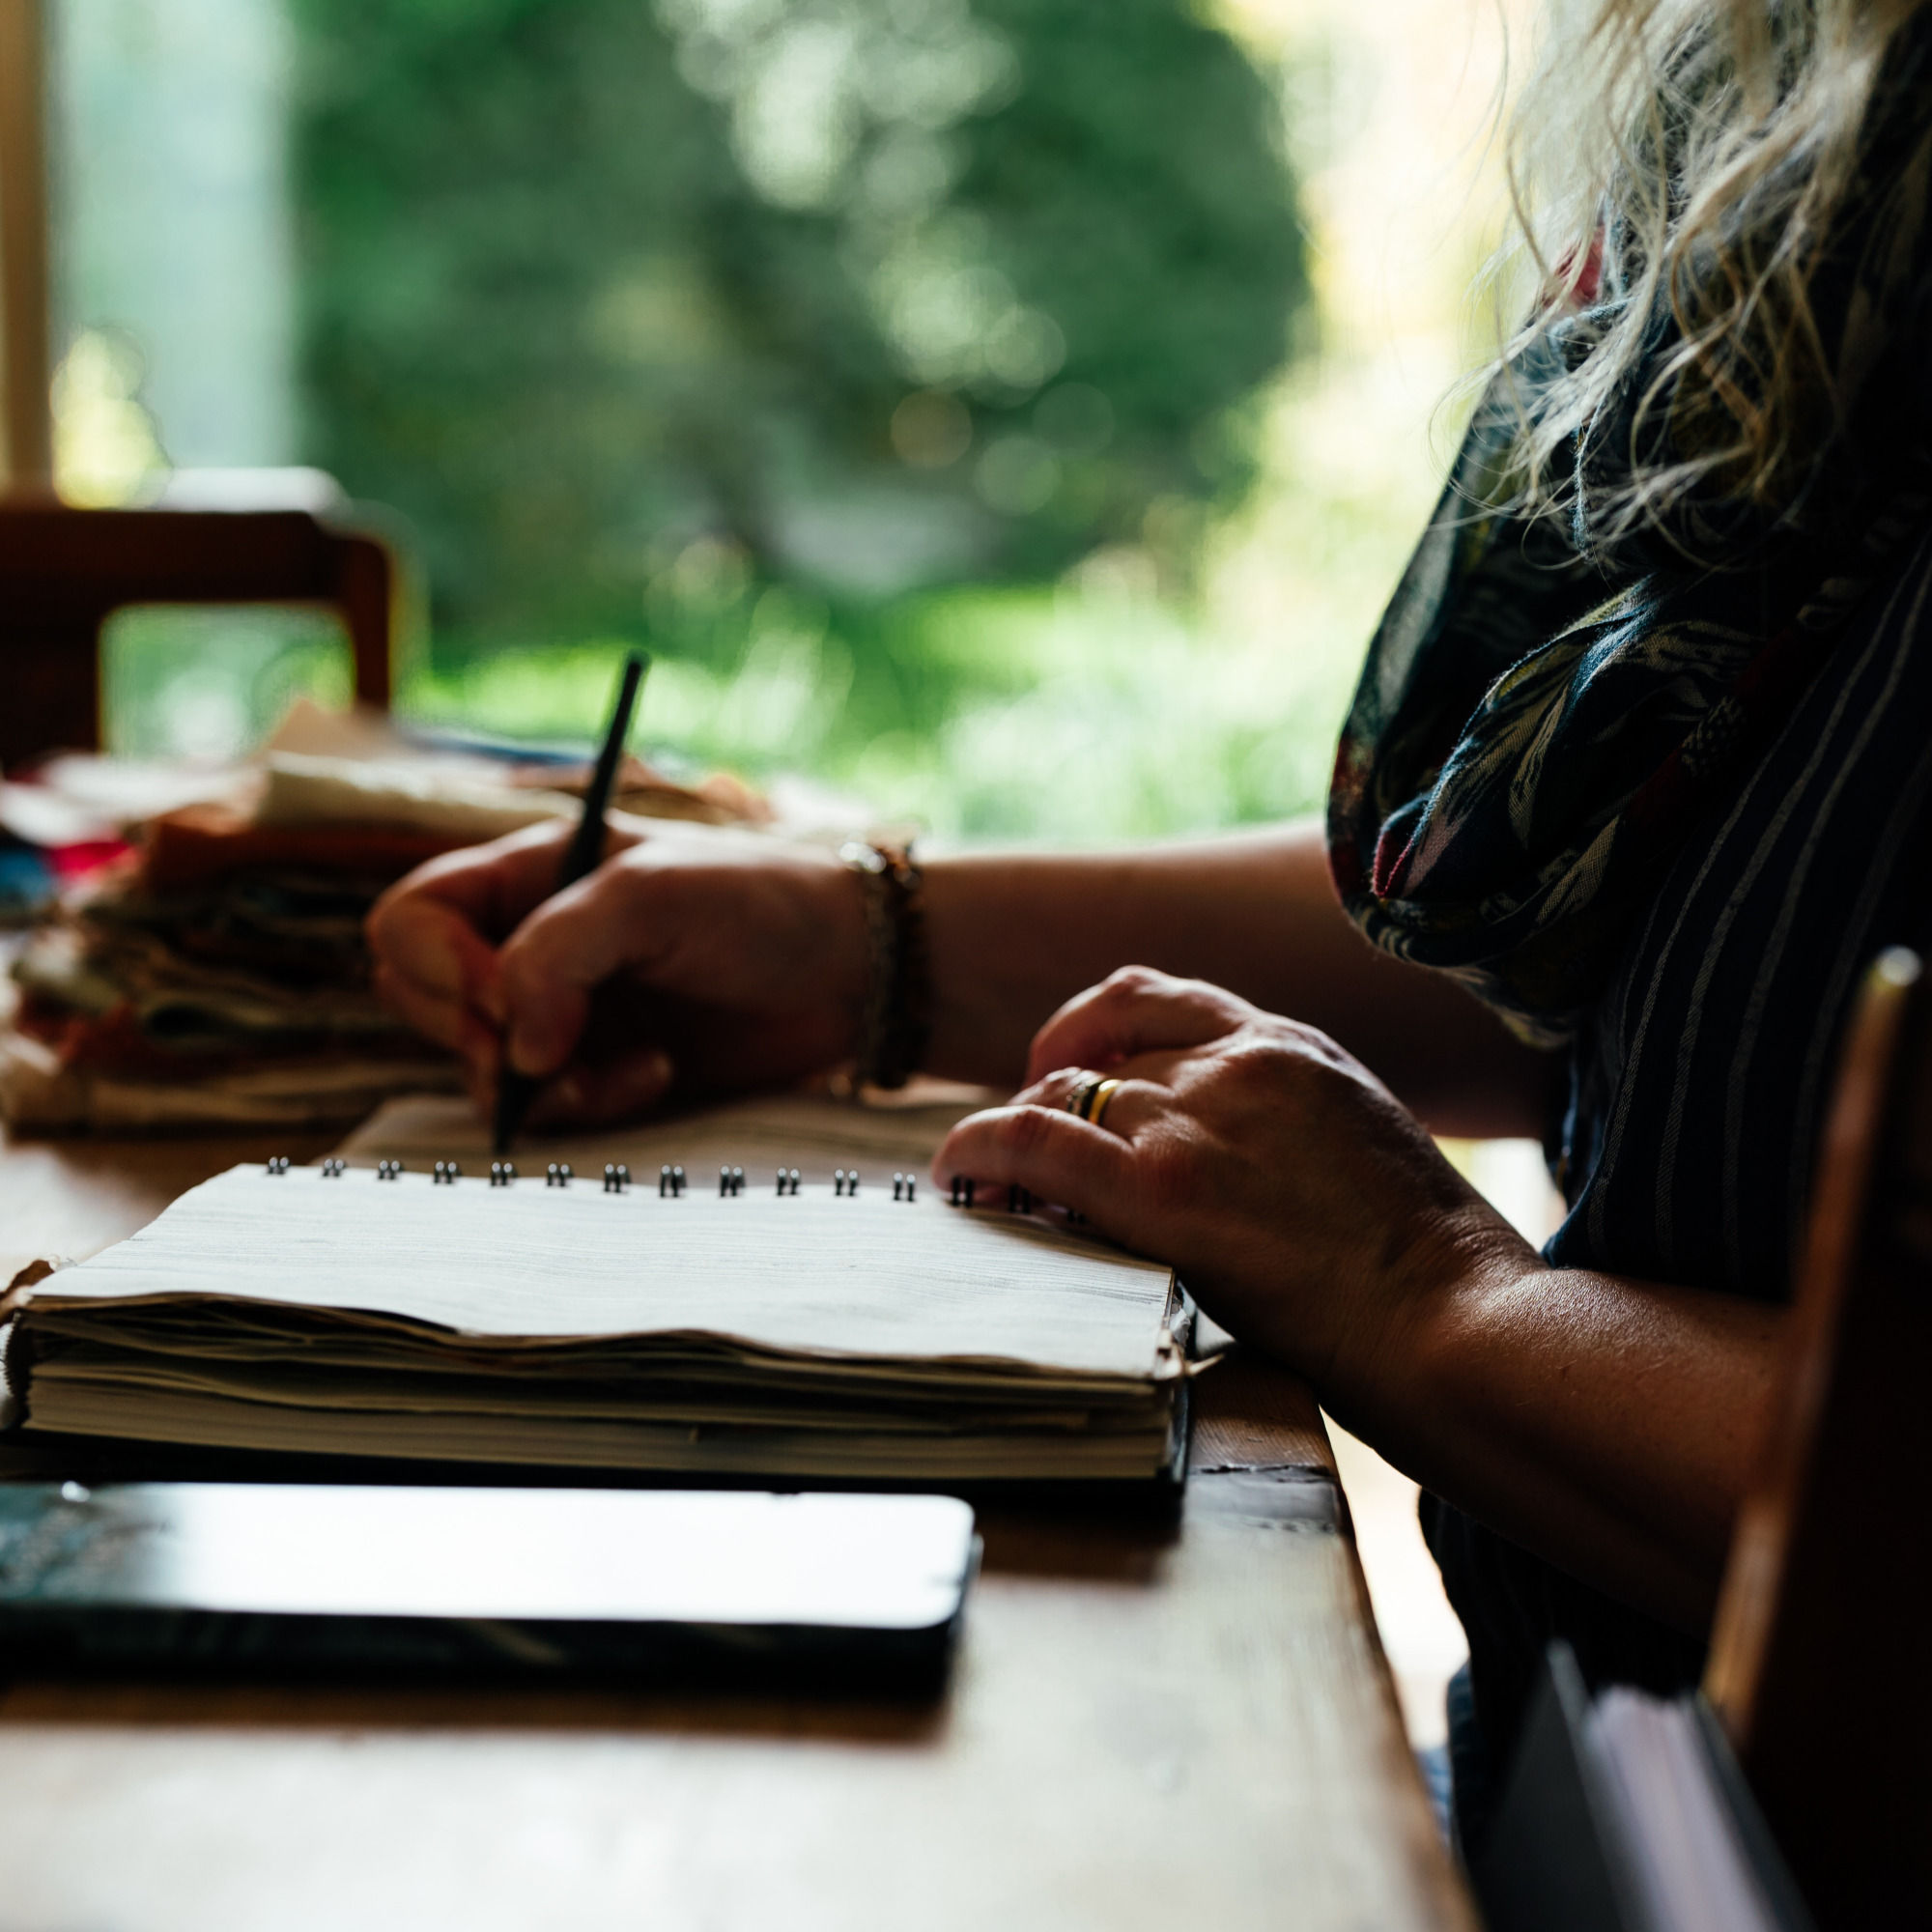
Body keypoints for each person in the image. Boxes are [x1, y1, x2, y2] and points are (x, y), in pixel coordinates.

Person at [366, 0, 1932, 1847]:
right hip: (1564, 1790)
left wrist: (1425, 1294)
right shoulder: (1829, 160)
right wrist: (864, 949)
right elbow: (1638, 955)